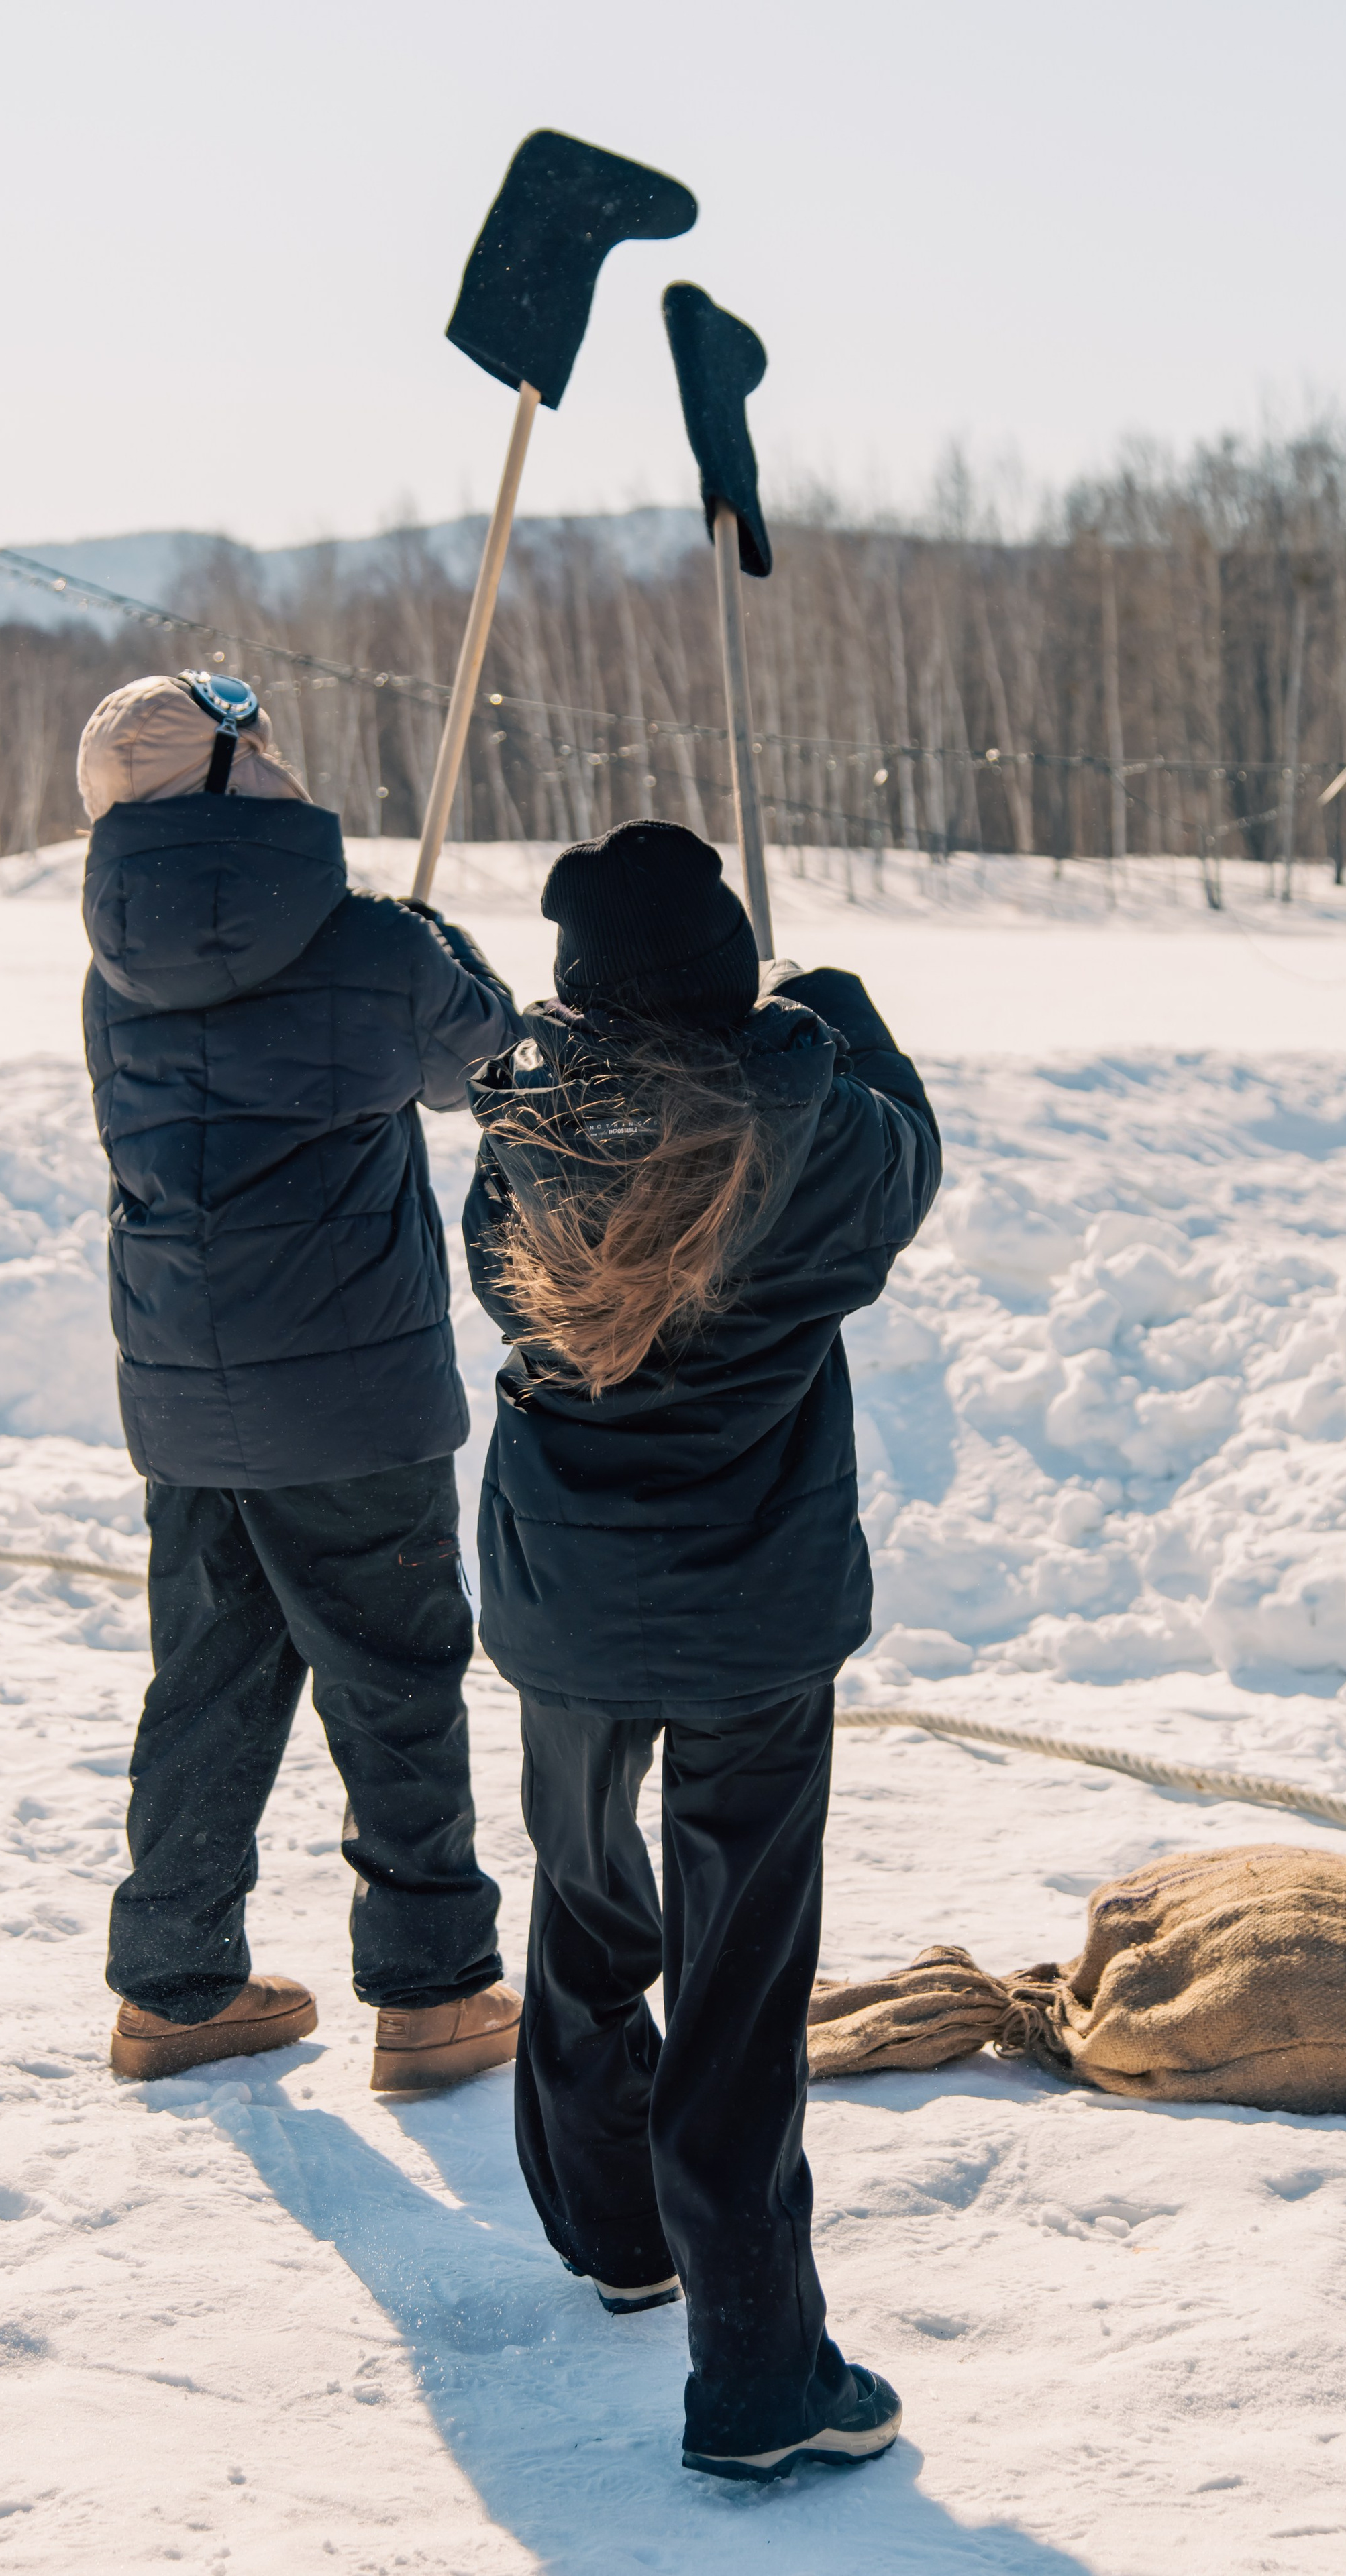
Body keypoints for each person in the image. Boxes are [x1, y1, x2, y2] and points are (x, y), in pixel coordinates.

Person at [460, 818, 941, 2482]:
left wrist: (765, 1038)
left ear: (580, 996)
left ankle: (612, 2234)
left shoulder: (520, 1130)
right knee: (736, 1982)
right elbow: (910, 1156)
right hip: (750, 1615)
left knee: (588, 1906)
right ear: (731, 982)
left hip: (566, 1604)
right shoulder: (817, 1139)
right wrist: (836, 1015)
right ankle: (753, 2378)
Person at [79, 669, 524, 2092]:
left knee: (208, 1675)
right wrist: (431, 938)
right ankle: (433, 1989)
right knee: (393, 1679)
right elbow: (491, 1063)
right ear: (241, 771)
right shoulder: (372, 946)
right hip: (348, 1394)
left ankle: (174, 1982)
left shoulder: (112, 968)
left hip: (183, 1387)